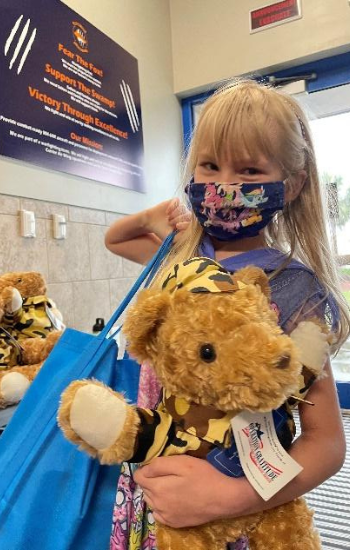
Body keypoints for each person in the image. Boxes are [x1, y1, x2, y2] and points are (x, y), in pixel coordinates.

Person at [105, 79, 349, 550]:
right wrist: (151, 217)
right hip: (156, 483)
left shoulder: (294, 289)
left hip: (240, 502)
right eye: (210, 165)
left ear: (292, 184)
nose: (224, 186)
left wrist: (232, 497)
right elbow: (115, 239)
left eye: (250, 170)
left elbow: (327, 444)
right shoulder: (181, 256)